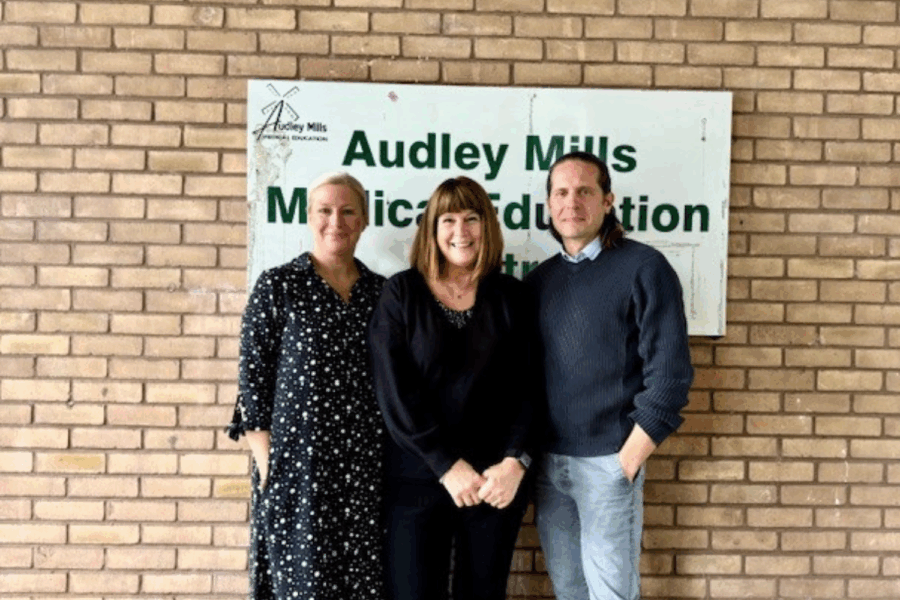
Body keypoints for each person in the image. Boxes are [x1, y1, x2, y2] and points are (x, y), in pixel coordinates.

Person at [525, 152, 694, 600]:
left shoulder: (644, 268)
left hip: (607, 464)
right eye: (560, 192)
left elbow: (671, 375)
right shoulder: (540, 282)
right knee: (569, 590)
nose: (571, 202)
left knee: (611, 595)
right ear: (547, 205)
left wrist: (628, 459)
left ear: (607, 201)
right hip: (549, 465)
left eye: (584, 191)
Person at [368, 176, 537, 600]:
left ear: (488, 226)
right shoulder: (401, 292)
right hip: (419, 478)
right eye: (448, 219)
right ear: (431, 228)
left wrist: (516, 461)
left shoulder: (511, 296)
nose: (460, 231)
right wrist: (445, 464)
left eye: (472, 218)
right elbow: (394, 391)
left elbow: (531, 388)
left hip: (495, 483)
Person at [226, 172, 386, 600]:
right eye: (325, 210)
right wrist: (267, 468)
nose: (337, 220)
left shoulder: (382, 293)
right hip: (299, 472)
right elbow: (252, 383)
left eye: (348, 210)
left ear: (364, 220)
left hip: (365, 473)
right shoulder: (279, 286)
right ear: (309, 216)